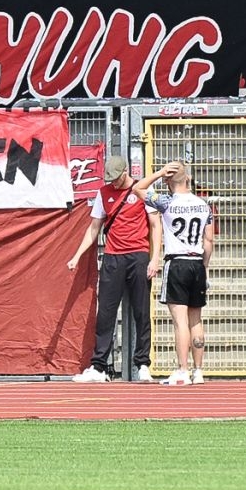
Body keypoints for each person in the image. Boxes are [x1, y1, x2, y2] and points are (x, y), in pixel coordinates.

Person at [68, 156, 173, 382]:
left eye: (116, 178)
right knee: (105, 312)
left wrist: (155, 258)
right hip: (112, 256)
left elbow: (155, 225)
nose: (113, 183)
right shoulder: (103, 193)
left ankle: (142, 364)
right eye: (110, 179)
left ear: (125, 171)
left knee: (142, 311)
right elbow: (94, 228)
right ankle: (99, 366)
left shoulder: (142, 189)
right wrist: (77, 255)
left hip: (138, 255)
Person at [146, 162, 214, 384]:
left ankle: (183, 369)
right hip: (197, 262)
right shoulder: (203, 205)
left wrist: (159, 173)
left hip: (177, 262)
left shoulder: (167, 202)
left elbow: (138, 188)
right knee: (196, 319)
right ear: (188, 179)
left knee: (180, 321)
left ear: (168, 181)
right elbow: (209, 240)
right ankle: (198, 370)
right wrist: (204, 266)